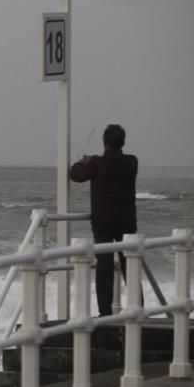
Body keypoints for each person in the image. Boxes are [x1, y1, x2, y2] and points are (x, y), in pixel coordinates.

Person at [69, 124, 138, 316]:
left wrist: (83, 162)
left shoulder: (97, 163)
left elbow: (75, 174)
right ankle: (137, 306)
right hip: (126, 221)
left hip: (103, 222)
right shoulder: (132, 162)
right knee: (129, 263)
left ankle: (105, 312)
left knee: (105, 264)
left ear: (104, 142)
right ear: (122, 142)